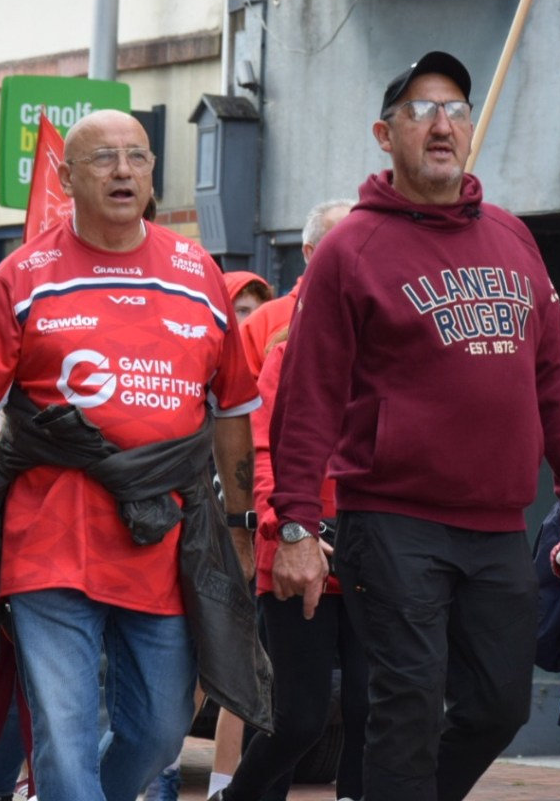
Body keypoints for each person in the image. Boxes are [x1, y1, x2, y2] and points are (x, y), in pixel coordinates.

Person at [269, 51, 560, 801]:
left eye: (456, 109)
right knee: (408, 704)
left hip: (496, 522)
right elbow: (307, 400)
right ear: (384, 134)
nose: (442, 123)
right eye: (421, 109)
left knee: (500, 706)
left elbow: (558, 379)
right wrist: (295, 526)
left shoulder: (512, 237)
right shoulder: (349, 251)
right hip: (393, 520)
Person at [0, 109, 269, 801]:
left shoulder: (198, 272)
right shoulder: (22, 276)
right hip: (48, 547)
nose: (123, 171)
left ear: (152, 172)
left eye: (136, 157)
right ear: (65, 177)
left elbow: (234, 413)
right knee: (64, 735)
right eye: (103, 159)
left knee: (160, 731)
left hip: (166, 547)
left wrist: (241, 530)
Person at [219, 332, 370, 801]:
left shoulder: (400, 345)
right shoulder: (289, 351)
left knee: (372, 710)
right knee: (299, 719)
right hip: (297, 547)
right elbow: (260, 450)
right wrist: (284, 526)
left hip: (376, 549)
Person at [237, 200, 353, 377]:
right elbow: (240, 398)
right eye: (344, 243)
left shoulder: (384, 313)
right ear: (310, 252)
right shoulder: (264, 321)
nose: (358, 253)